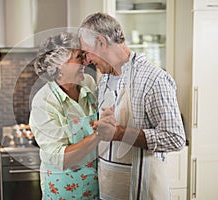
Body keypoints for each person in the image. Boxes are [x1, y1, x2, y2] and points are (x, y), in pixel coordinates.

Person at [78, 12, 186, 200]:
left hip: (144, 190)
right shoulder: (105, 80)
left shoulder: (153, 79)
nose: (87, 60)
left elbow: (175, 138)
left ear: (101, 42)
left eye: (87, 51)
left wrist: (119, 133)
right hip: (110, 188)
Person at [29, 32, 115, 199]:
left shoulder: (88, 83)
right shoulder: (44, 102)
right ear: (60, 65)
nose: (85, 61)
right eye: (78, 57)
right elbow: (62, 159)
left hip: (96, 187)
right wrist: (98, 135)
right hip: (64, 190)